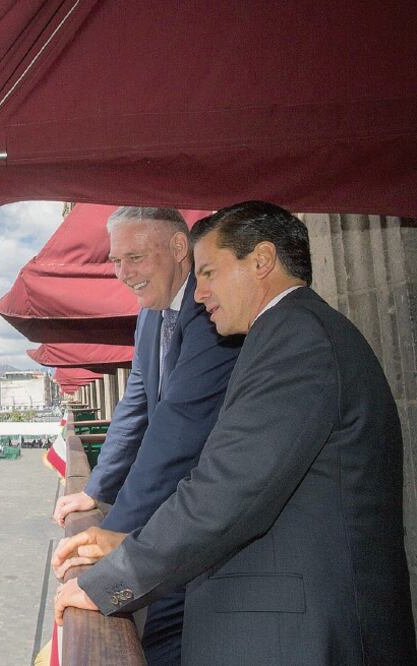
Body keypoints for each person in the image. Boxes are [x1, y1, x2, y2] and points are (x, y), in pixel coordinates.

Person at [53, 202, 416, 665]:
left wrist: (112, 579)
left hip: (301, 635)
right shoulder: (292, 332)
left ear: (261, 262)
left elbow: (226, 488)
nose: (200, 294)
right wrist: (129, 542)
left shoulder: (295, 339)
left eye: (208, 273)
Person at [50, 207, 242, 664]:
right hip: (169, 514)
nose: (124, 273)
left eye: (134, 257)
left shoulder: (209, 307)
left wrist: (108, 538)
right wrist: (96, 490)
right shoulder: (150, 314)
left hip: (206, 512)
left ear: (179, 249)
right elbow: (135, 404)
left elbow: (175, 431)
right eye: (116, 261)